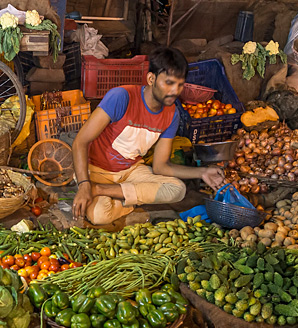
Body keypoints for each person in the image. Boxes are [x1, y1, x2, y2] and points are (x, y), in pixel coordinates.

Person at [71, 46, 223, 228]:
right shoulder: (121, 97)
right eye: (169, 83)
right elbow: (80, 142)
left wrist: (203, 172)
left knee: (177, 189)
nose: (175, 91)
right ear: (151, 78)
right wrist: (84, 183)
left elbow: (160, 167)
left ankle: (102, 191)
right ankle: (125, 196)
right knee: (99, 215)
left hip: (131, 171)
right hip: (96, 170)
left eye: (180, 84)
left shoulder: (172, 114)